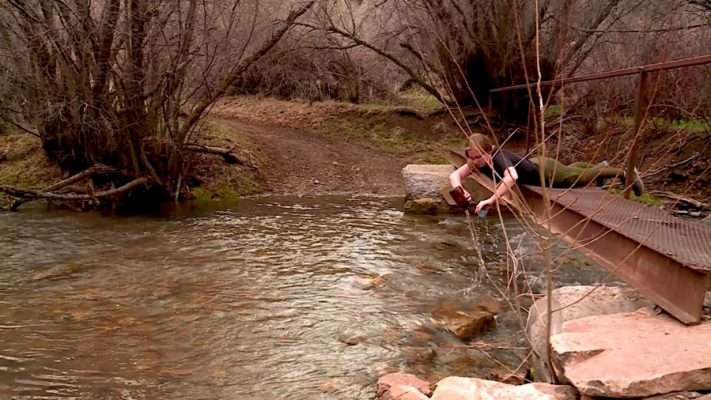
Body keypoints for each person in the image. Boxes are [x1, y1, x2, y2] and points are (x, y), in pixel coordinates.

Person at [448, 133, 644, 214]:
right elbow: (454, 176)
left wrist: (491, 199)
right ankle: (600, 165)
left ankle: (625, 173)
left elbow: (512, 178)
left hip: (545, 173)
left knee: (576, 179)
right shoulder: (477, 162)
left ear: (488, 151)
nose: (474, 161)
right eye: (471, 157)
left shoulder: (499, 157)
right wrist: (459, 190)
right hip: (537, 164)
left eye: (477, 156)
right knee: (572, 170)